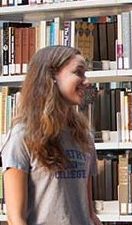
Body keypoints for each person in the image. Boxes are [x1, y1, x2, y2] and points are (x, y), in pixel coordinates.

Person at [1, 46, 102, 225]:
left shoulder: (84, 136)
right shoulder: (22, 137)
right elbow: (15, 218)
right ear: (52, 76)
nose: (86, 81)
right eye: (78, 72)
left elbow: (89, 212)